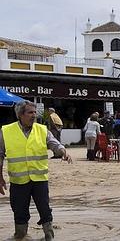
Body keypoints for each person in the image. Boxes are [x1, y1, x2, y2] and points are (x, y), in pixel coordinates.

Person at [0, 100, 72, 240]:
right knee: (19, 212)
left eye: (35, 112)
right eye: (30, 112)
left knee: (45, 209)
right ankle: (20, 235)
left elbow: (54, 143)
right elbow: (0, 154)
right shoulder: (6, 131)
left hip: (39, 179)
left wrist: (63, 151)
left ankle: (49, 236)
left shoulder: (42, 129)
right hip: (18, 180)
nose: (34, 115)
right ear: (21, 115)